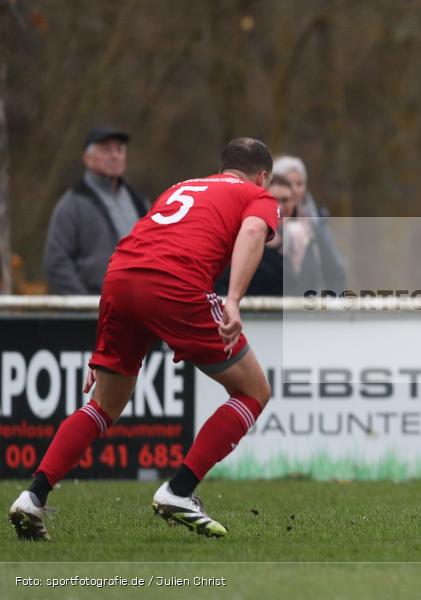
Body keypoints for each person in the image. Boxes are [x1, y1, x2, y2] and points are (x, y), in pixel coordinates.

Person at [9, 138, 280, 540]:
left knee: (103, 405)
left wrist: (101, 340)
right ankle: (179, 491)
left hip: (120, 278)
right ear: (262, 176)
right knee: (254, 392)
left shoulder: (181, 187)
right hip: (176, 284)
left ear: (221, 167)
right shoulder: (257, 195)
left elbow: (144, 247)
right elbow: (255, 229)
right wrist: (234, 300)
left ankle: (32, 497)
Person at [44, 126, 149, 294]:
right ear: (87, 157)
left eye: (119, 149)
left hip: (138, 307)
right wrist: (85, 306)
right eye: (106, 150)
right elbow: (57, 263)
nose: (115, 156)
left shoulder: (140, 202)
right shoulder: (71, 205)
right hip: (92, 310)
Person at [272, 155, 346, 296]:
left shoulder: (316, 225)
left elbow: (336, 274)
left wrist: (332, 309)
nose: (294, 190)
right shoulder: (258, 227)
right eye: (288, 183)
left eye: (299, 184)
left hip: (308, 313)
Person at [214, 174, 293, 296]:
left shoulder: (303, 239)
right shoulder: (242, 236)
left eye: (285, 200)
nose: (281, 207)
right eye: (274, 200)